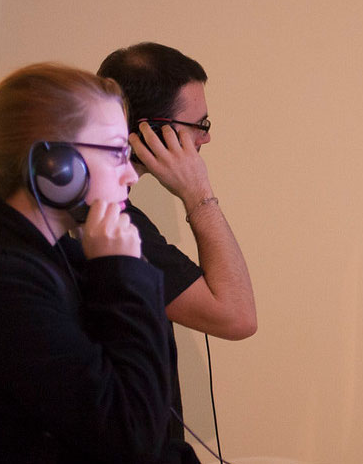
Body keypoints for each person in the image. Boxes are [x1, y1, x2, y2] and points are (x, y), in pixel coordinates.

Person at [0, 63, 199, 462]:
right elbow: (131, 438)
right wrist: (122, 275)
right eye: (116, 152)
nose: (130, 173)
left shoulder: (58, 254)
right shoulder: (2, 282)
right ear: (55, 166)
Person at [97, 43, 257, 440]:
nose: (206, 140)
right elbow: (237, 316)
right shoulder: (111, 224)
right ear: (149, 130)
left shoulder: (97, 209)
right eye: (199, 125)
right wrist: (199, 195)